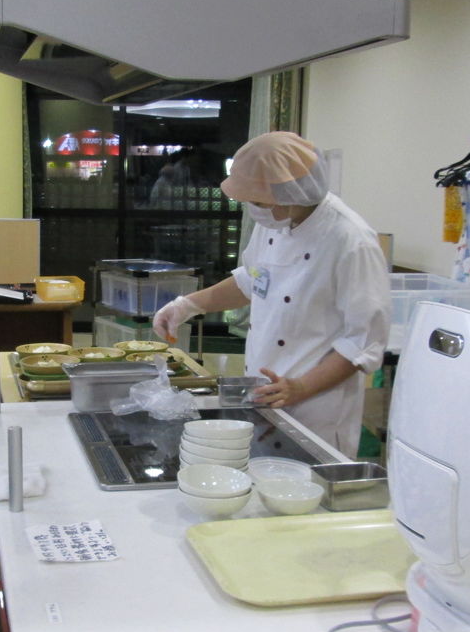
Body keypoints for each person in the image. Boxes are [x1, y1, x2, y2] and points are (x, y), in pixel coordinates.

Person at [152, 131, 390, 456]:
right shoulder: (275, 221)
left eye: (258, 201)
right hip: (264, 394)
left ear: (289, 193)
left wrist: (301, 387)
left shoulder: (352, 241)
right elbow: (251, 280)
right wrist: (186, 306)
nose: (253, 209)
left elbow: (362, 343)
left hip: (316, 408)